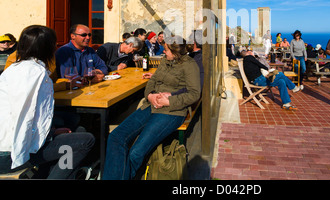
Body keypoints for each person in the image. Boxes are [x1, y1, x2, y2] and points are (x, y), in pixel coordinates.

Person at [0, 25, 95, 179]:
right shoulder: (36, 73)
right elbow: (23, 115)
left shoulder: (15, 68)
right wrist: (48, 136)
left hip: (8, 144)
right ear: (47, 48)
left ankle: (43, 175)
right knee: (85, 141)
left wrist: (51, 132)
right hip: (10, 153)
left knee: (76, 131)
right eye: (54, 44)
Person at [102, 36, 201, 180]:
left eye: (166, 50)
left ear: (175, 51)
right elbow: (152, 81)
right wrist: (149, 96)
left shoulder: (189, 65)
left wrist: (170, 101)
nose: (164, 52)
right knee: (116, 137)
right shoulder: (165, 61)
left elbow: (194, 94)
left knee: (136, 152)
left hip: (171, 112)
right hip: (150, 105)